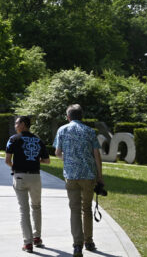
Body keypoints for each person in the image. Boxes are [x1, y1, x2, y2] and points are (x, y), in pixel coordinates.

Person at [54, 104, 103, 257]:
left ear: (68, 117)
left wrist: (68, 160)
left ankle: (77, 246)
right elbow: (97, 156)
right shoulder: (90, 131)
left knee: (74, 209)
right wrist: (100, 177)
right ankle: (89, 241)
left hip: (71, 176)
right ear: (81, 116)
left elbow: (57, 153)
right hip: (88, 176)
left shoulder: (62, 130)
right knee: (86, 208)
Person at [5, 115, 50, 253]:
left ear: (23, 124)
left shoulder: (13, 139)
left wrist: (15, 167)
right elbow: (47, 160)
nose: (15, 125)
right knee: (36, 206)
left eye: (17, 123)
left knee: (24, 210)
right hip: (35, 177)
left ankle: (28, 243)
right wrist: (34, 160)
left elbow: (7, 160)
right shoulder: (38, 140)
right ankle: (37, 238)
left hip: (20, 177)